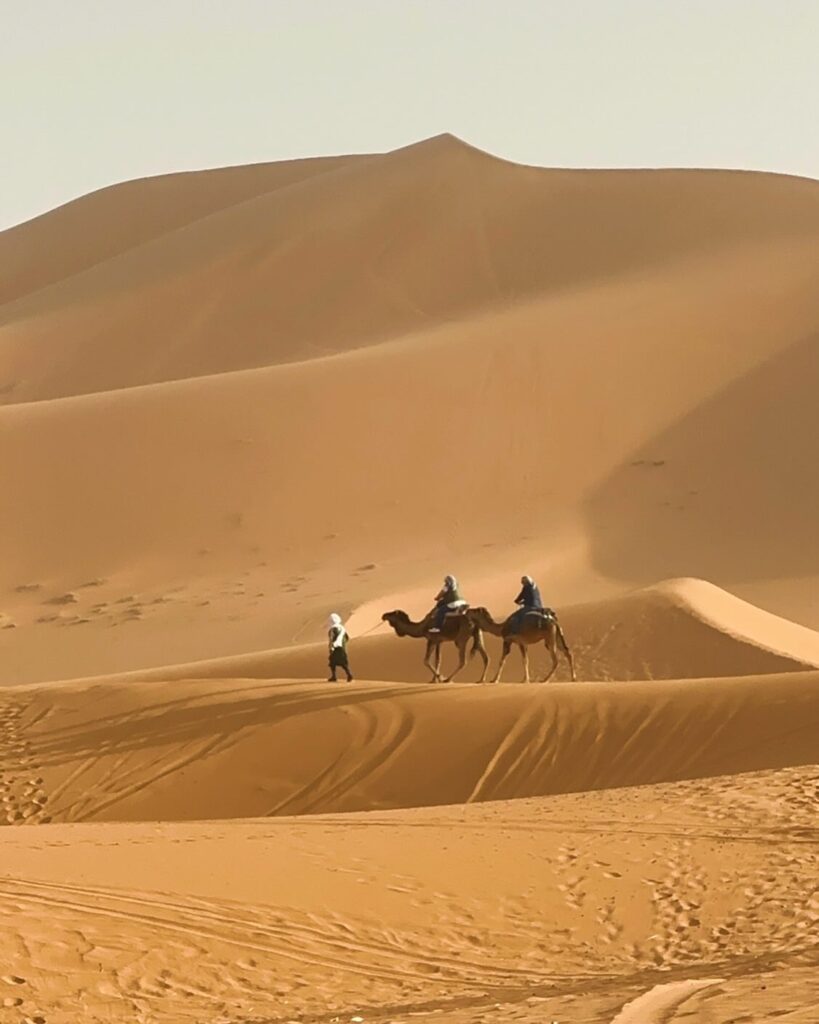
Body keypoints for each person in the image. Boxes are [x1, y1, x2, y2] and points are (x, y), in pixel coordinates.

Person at [327, 613, 353, 682]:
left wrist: (331, 647)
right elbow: (347, 638)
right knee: (344, 663)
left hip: (335, 649)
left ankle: (334, 676)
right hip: (343, 648)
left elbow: (331, 639)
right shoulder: (342, 628)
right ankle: (349, 674)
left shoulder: (332, 630)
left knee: (332, 663)